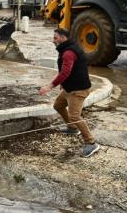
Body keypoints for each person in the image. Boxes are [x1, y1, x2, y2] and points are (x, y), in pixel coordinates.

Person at [38, 28, 100, 158]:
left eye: (55, 38)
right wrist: (63, 83)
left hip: (78, 90)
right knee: (58, 106)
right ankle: (72, 129)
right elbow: (70, 71)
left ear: (63, 38)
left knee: (74, 116)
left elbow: (65, 72)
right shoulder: (67, 47)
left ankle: (91, 143)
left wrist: (50, 86)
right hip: (69, 88)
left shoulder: (69, 52)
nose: (52, 40)